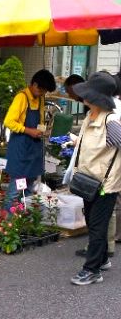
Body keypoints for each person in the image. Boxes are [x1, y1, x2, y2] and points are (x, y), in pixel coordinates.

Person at [69, 72, 121, 286]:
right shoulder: (92, 116)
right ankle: (100, 261)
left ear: (98, 98)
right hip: (89, 180)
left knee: (98, 227)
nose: (83, 97)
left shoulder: (111, 121)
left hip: (104, 184)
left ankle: (92, 270)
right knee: (92, 223)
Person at [3, 69, 56, 209]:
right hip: (21, 151)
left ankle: (22, 224)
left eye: (45, 92)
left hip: (34, 151)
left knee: (28, 191)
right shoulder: (21, 97)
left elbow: (40, 121)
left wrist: (42, 130)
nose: (42, 94)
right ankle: (5, 225)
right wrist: (28, 130)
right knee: (15, 192)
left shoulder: (40, 99)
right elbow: (8, 122)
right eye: (41, 90)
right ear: (34, 84)